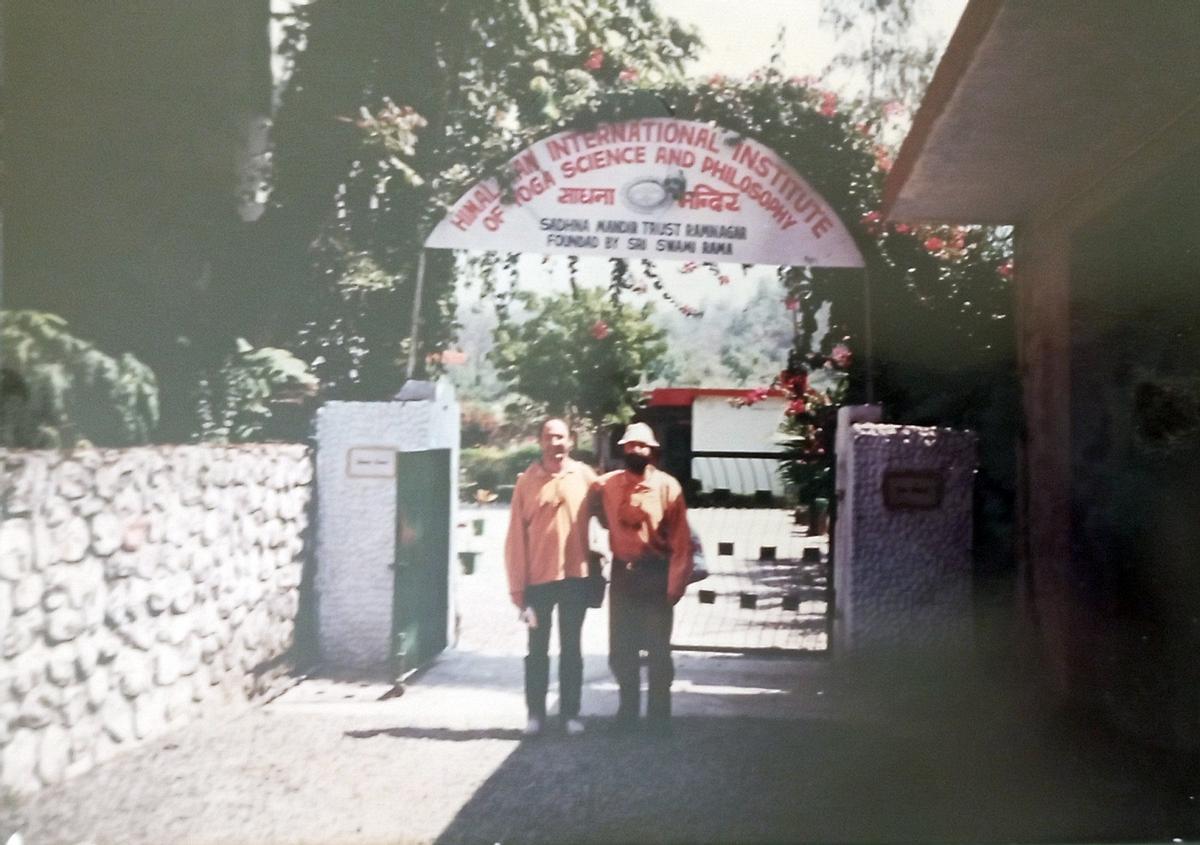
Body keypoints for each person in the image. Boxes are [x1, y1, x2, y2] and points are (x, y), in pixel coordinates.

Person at [591, 421, 693, 734]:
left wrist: (675, 584)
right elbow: (586, 505)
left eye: (642, 445)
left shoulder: (667, 488)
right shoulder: (606, 485)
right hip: (623, 576)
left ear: (652, 451)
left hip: (656, 575)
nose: (636, 450)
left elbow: (681, 542)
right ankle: (628, 713)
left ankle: (659, 716)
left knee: (658, 650)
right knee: (622, 649)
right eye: (630, 445)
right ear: (623, 450)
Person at [504, 418, 598, 736]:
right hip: (537, 581)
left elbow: (612, 509)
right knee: (537, 652)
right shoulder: (526, 481)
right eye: (548, 437)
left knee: (572, 649)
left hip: (575, 577)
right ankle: (535, 716)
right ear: (540, 442)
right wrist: (517, 590)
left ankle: (570, 715)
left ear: (570, 441)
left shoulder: (585, 476)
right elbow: (515, 538)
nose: (554, 442)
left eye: (560, 437)